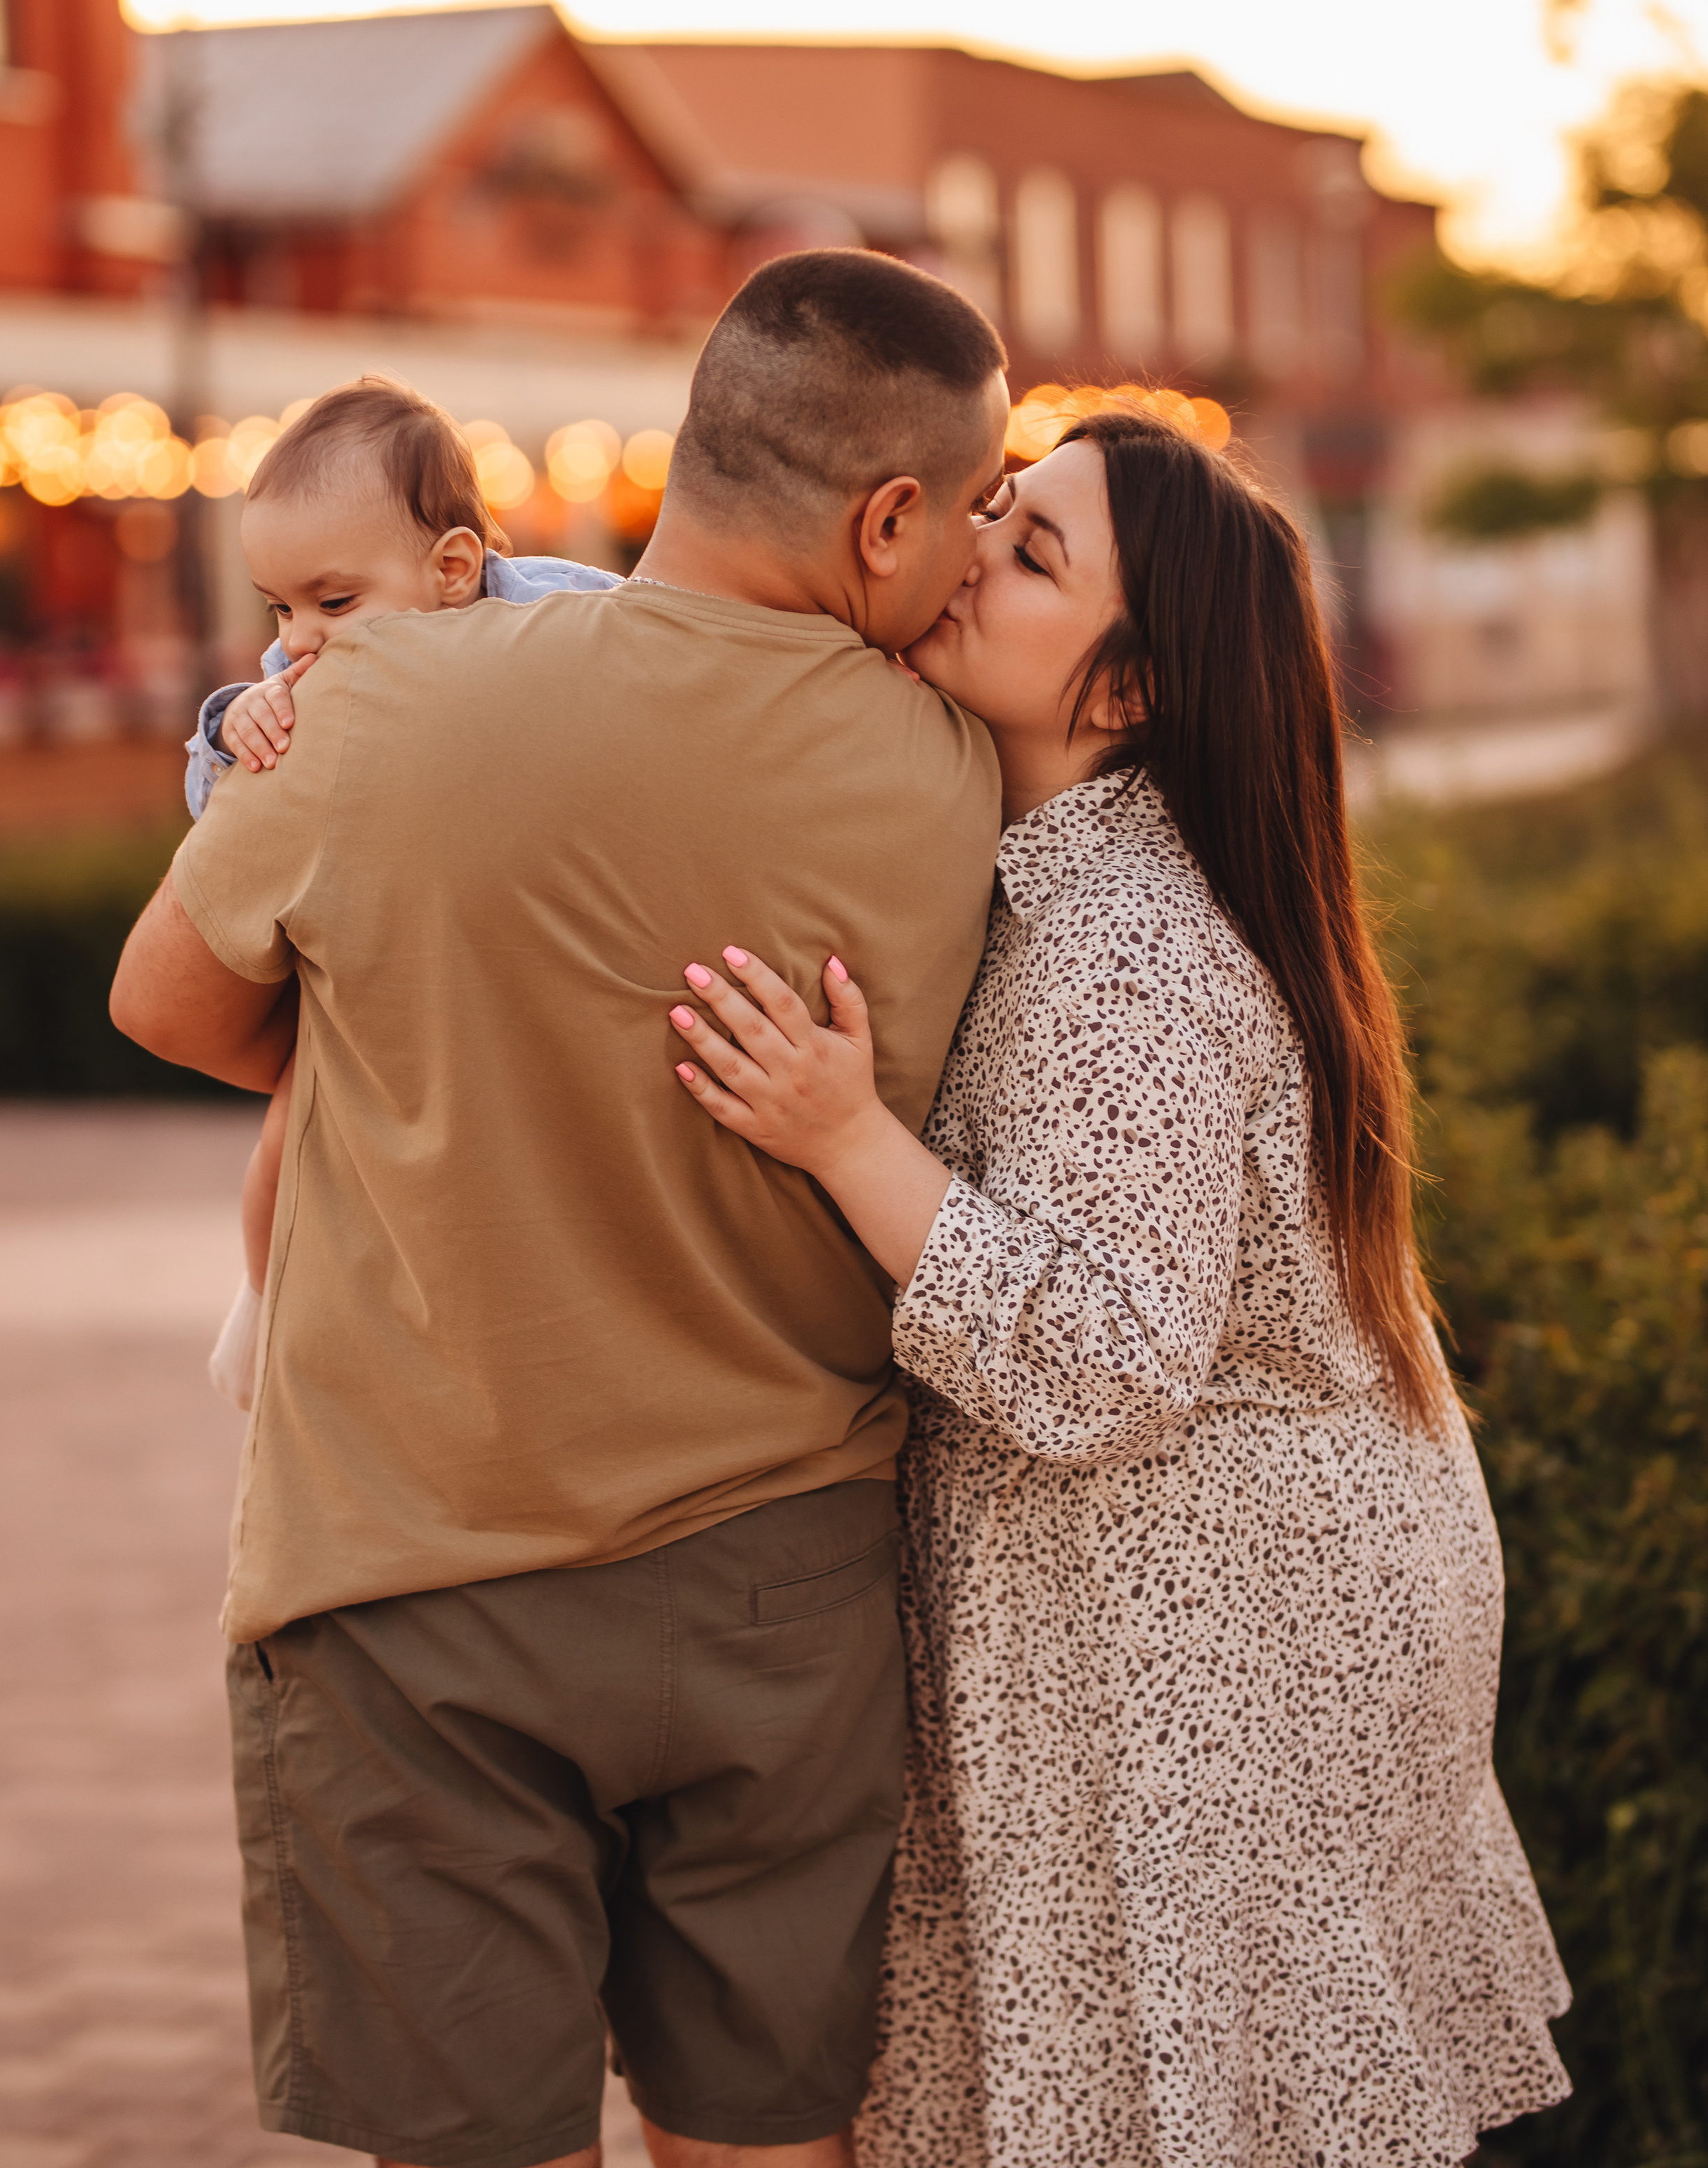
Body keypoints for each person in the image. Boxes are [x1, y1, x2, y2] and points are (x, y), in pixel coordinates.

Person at [108, 248, 1011, 2168]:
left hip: (413, 1573)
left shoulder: (387, 696)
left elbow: (165, 1003)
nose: (971, 570)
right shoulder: (954, 771)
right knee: (766, 2145)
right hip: (783, 1578)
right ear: (889, 517)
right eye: (972, 523)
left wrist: (427, 1049)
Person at [661, 409, 1573, 2167]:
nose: (973, 546)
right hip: (1225, 1617)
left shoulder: (1123, 948)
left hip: (1219, 1650)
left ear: (1126, 691)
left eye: (1033, 552)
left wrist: (846, 1139)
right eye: (997, 510)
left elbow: (1101, 1354)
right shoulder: (1081, 885)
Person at [179, 375, 618, 1410]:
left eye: (333, 602)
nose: (299, 636)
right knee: (287, 1145)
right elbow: (218, 816)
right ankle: (261, 1298)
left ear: (456, 570)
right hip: (366, 955)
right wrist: (233, 730)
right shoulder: (305, 677)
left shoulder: (550, 610)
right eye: (279, 606)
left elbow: (679, 643)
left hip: (507, 952)